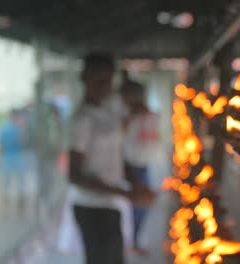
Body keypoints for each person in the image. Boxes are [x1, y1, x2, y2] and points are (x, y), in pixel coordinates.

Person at [69, 53, 155, 264]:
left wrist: (135, 184)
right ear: (84, 79)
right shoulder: (82, 119)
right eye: (98, 80)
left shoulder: (106, 113)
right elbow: (75, 176)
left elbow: (117, 155)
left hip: (109, 204)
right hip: (91, 207)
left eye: (107, 80)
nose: (104, 86)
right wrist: (125, 193)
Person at [120, 73, 159, 255]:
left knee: (141, 205)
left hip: (140, 163)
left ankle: (133, 240)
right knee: (136, 205)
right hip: (129, 165)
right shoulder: (123, 115)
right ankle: (131, 242)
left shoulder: (143, 115)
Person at [0, 109, 26, 209]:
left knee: (6, 182)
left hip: (6, 158)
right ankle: (20, 203)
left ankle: (6, 204)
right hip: (18, 157)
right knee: (20, 182)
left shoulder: (3, 129)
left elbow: (0, 146)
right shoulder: (19, 129)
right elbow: (22, 143)